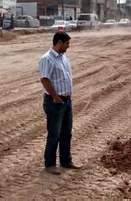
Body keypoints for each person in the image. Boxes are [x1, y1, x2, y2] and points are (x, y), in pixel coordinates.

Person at [39, 31, 80, 175]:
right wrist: (55, 97)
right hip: (54, 102)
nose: (68, 46)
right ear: (59, 43)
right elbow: (44, 79)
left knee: (66, 133)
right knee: (54, 134)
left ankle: (66, 161)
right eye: (67, 43)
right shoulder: (47, 59)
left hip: (66, 101)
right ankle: (50, 164)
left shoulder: (64, 57)